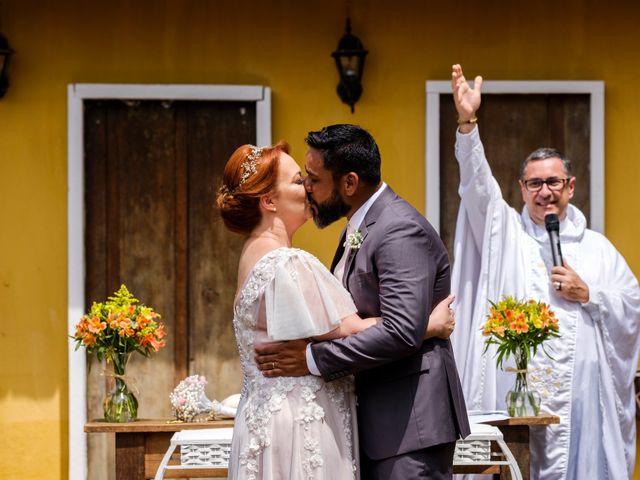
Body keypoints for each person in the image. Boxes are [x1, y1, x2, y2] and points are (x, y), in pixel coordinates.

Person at [216, 141, 457, 479]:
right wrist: (429, 324)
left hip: (265, 419)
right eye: (299, 181)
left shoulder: (251, 255)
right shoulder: (289, 261)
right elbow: (354, 329)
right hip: (300, 423)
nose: (310, 189)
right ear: (269, 201)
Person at [449, 64, 640, 479]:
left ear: (570, 186)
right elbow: (478, 188)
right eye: (534, 184)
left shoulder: (598, 250)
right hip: (521, 399)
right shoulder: (507, 237)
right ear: (521, 189)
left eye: (553, 182)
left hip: (583, 399)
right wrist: (468, 125)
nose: (545, 192)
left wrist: (590, 294)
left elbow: (632, 307)